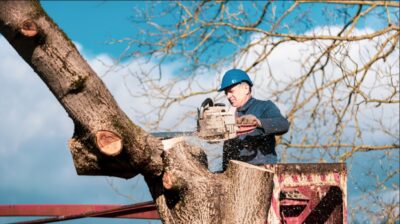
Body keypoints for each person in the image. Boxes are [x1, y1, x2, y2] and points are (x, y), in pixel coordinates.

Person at [219, 69, 289, 170]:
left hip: (262, 171)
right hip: (235, 175)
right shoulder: (230, 117)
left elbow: (283, 124)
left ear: (246, 88)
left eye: (231, 91)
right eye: (226, 93)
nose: (228, 96)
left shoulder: (264, 107)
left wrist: (258, 122)